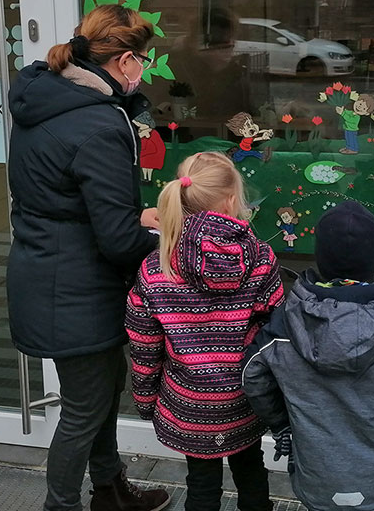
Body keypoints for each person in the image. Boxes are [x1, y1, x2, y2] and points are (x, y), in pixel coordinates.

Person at [7, 5, 169, 511]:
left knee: (97, 399)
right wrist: (176, 243)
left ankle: (111, 491)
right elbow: (118, 240)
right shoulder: (99, 123)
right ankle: (63, 505)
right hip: (74, 288)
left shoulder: (49, 98)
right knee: (83, 411)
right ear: (125, 61)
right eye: (142, 60)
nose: (142, 70)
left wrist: (130, 214)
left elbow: (62, 196)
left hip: (50, 271)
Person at [242, 200, 374, 511]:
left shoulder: (284, 321)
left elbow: (252, 378)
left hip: (317, 476)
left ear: (320, 257)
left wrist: (282, 422)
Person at [125, 152, 284, 511]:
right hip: (245, 399)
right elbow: (275, 337)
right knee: (251, 470)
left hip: (188, 403)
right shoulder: (261, 258)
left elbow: (144, 344)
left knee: (201, 483)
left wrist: (146, 400)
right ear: (231, 199)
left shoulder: (157, 265)